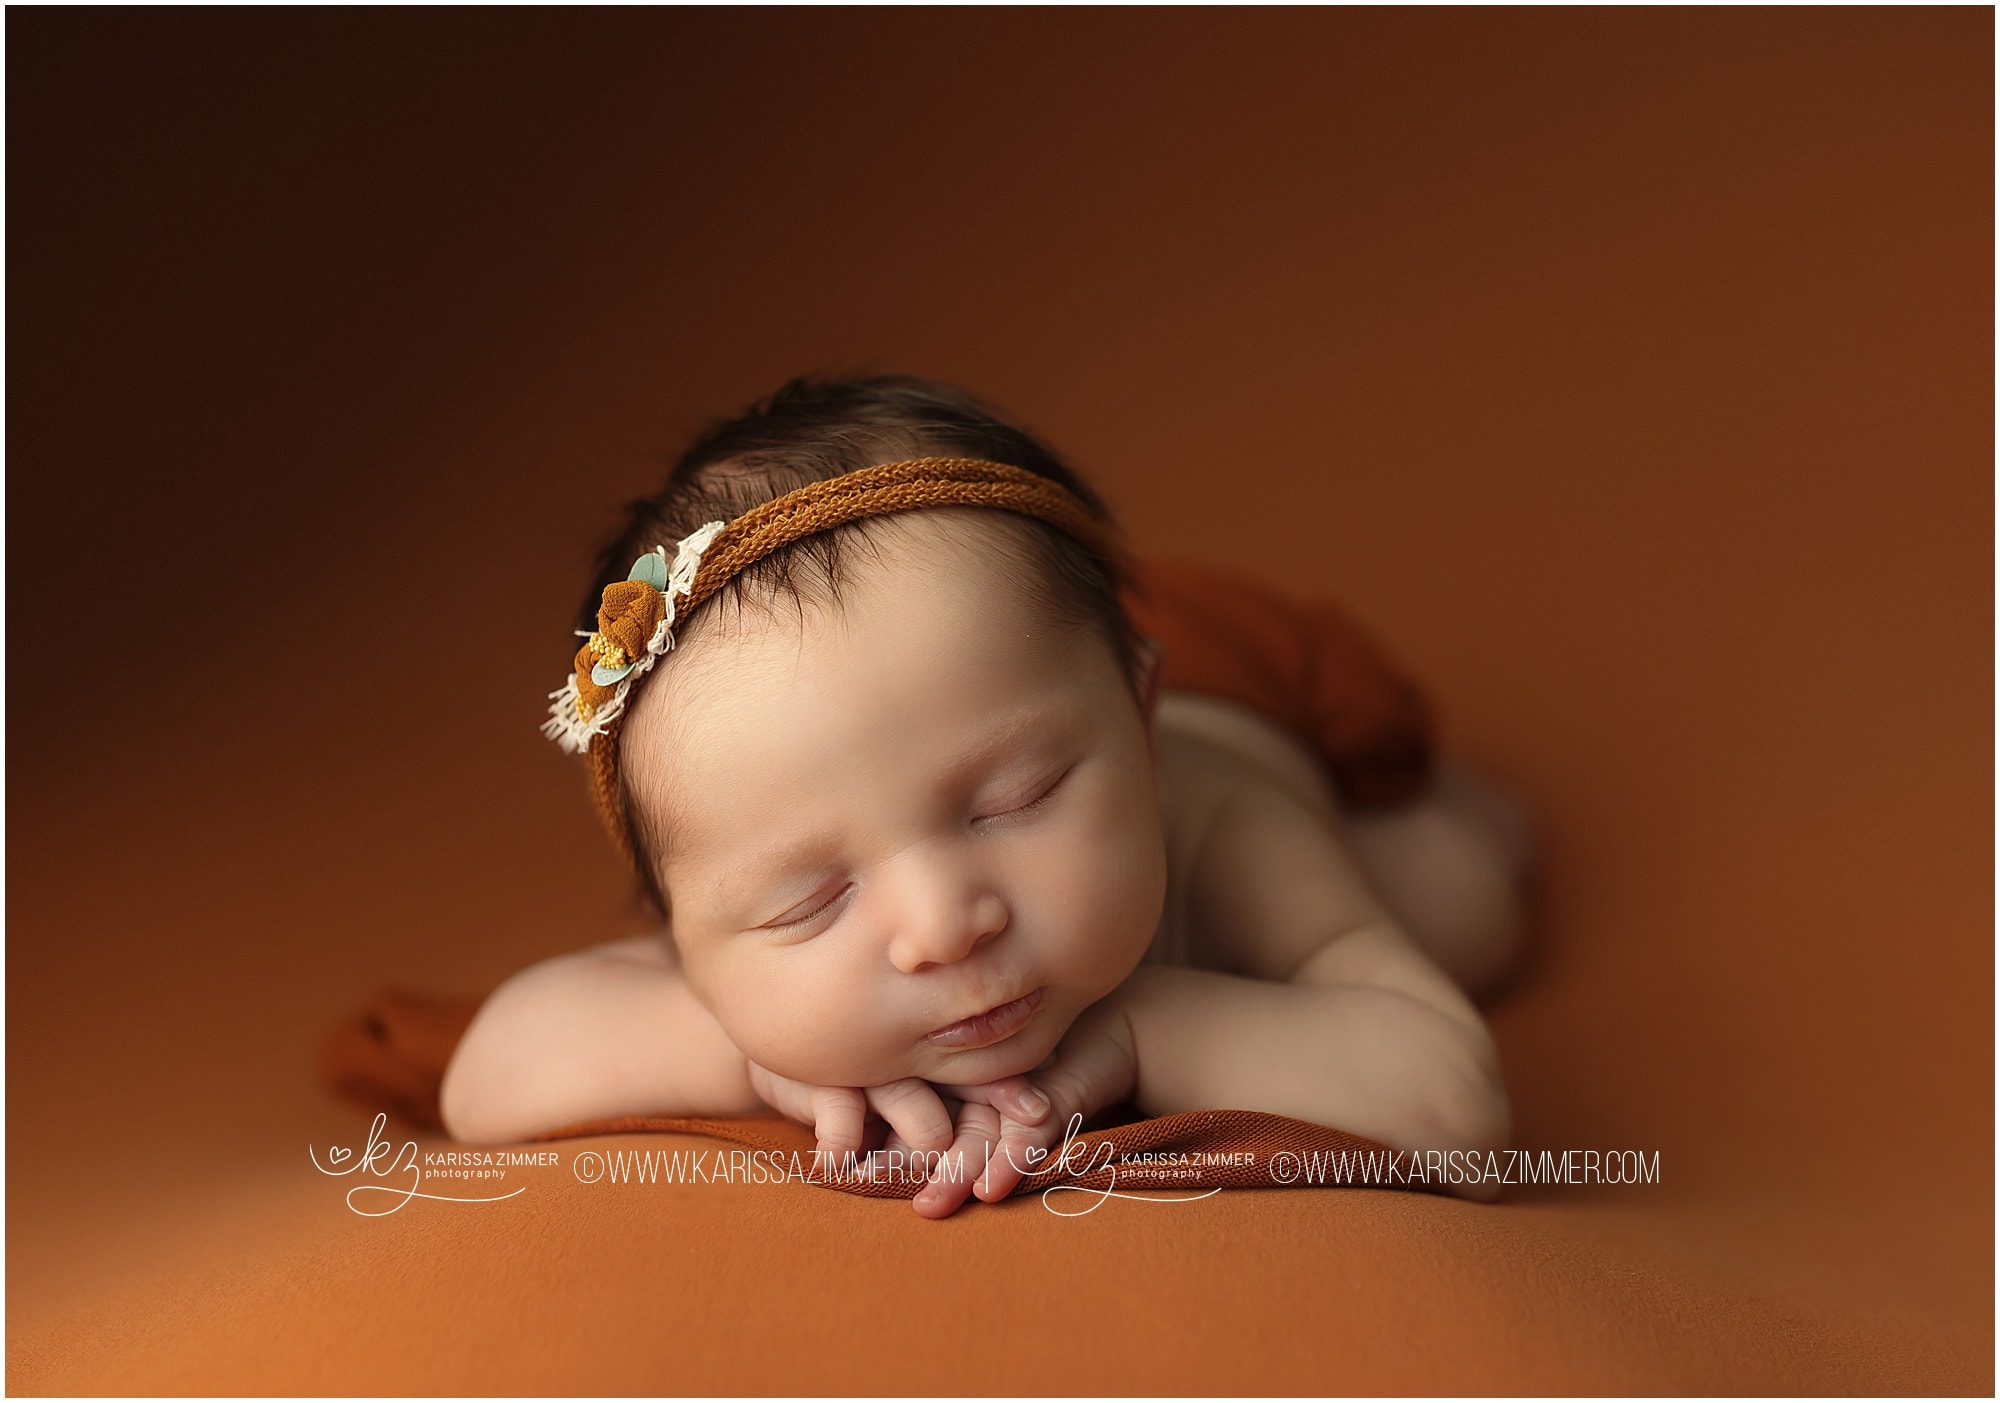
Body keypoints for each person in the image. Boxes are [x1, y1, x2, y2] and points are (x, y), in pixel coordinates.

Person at [439, 373, 1535, 1217]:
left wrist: (1143, 1026)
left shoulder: (1220, 824)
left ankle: (1443, 796)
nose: (942, 924)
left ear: (1136, 723)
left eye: (1017, 798)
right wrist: (753, 1054)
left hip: (1236, 682)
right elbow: (485, 1077)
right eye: (807, 901)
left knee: (1463, 900)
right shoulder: (742, 882)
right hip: (1022, 664)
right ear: (675, 925)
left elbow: (1459, 1113)